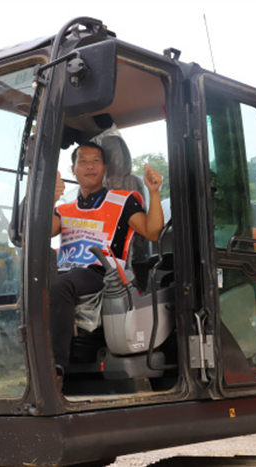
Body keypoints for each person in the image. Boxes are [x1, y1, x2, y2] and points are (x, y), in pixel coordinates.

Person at [50, 142, 164, 366]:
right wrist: (49, 199)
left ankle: (56, 367)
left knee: (61, 285)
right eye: (83, 161)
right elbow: (37, 233)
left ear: (105, 168)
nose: (90, 166)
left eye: (96, 161)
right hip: (67, 273)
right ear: (73, 170)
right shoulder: (63, 210)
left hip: (103, 274)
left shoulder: (122, 202)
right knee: (34, 283)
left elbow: (152, 231)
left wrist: (154, 192)